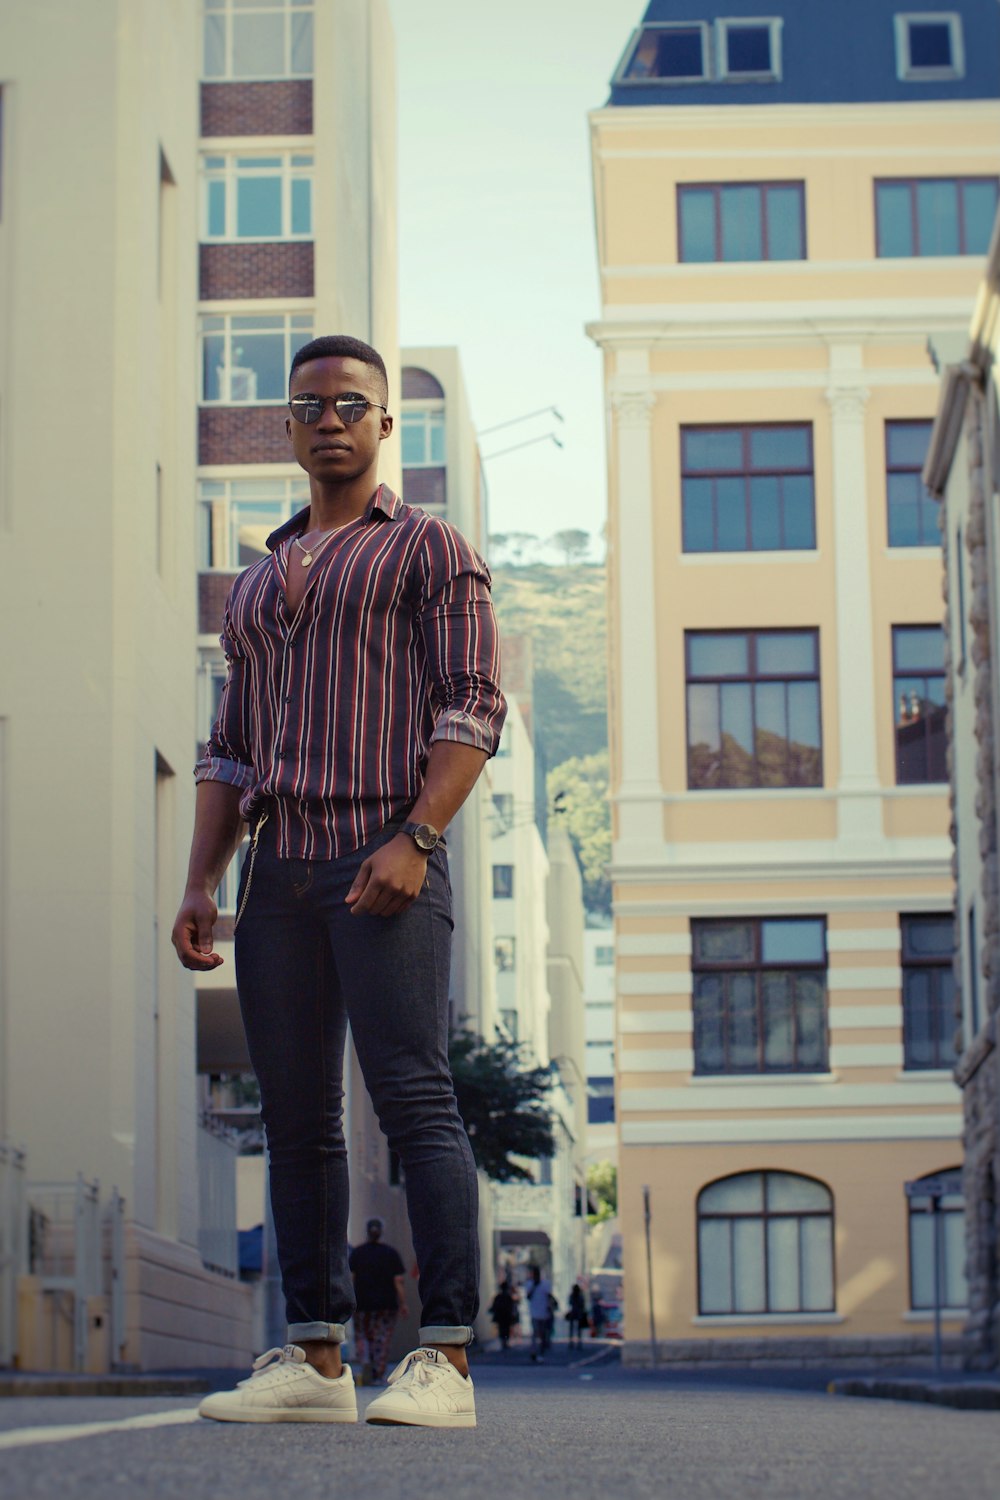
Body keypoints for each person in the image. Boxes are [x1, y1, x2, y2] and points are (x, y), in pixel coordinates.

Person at [173, 335, 505, 1430]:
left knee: (411, 1094)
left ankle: (446, 1361)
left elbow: (471, 704)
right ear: (288, 425)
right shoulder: (259, 583)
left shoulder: (426, 549)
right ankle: (316, 1360)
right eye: (310, 404)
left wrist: (416, 835)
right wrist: (199, 884)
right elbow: (229, 747)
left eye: (350, 404)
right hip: (279, 869)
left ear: (380, 426)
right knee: (297, 1114)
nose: (329, 419)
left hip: (384, 847)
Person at [349, 1218, 407, 1385]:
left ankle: (365, 1360)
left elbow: (351, 1279)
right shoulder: (391, 1253)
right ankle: (378, 1372)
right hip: (386, 1304)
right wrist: (403, 1303)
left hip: (362, 1303)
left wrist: (349, 1300)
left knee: (362, 1335)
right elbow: (398, 1281)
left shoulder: (357, 1253)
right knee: (381, 1338)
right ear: (381, 1231)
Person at [526, 1266, 553, 1362]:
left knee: (542, 1333)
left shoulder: (545, 1284)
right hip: (534, 1313)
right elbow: (528, 1296)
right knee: (535, 1333)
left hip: (543, 1313)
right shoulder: (530, 1284)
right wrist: (534, 1286)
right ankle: (534, 1351)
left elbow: (549, 1296)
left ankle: (541, 1352)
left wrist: (550, 1308)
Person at [488, 1283, 516, 1350]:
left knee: (503, 1329)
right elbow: (511, 1307)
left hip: (501, 1316)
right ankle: (504, 1342)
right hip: (505, 1316)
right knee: (505, 1329)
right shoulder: (507, 1297)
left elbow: (494, 1306)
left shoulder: (499, 1297)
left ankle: (504, 1342)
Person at [566, 1282, 587, 1350]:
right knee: (578, 1329)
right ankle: (578, 1342)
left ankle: (572, 1342)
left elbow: (570, 1303)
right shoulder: (580, 1296)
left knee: (572, 1328)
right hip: (578, 1313)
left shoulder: (573, 1296)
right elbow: (582, 1304)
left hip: (574, 1312)